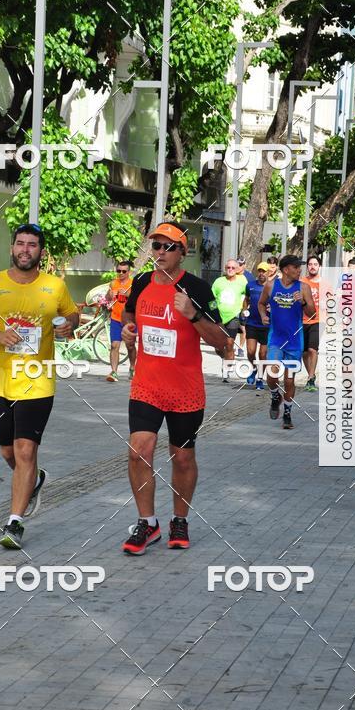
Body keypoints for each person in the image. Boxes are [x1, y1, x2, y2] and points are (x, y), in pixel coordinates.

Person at [120, 222, 226, 555]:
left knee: (182, 458)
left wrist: (194, 316)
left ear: (183, 252)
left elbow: (225, 346)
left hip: (185, 389)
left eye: (168, 247)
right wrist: (128, 330)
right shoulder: (139, 282)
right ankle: (147, 522)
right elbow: (129, 315)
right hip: (146, 385)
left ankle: (179, 519)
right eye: (156, 247)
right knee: (139, 450)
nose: (160, 253)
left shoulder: (197, 288)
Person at [0, 223, 79, 549]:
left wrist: (67, 327)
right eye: (20, 243)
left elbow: (72, 317)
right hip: (0, 381)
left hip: (38, 381)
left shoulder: (54, 286)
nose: (25, 250)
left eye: (31, 245)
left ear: (40, 252)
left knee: (25, 449)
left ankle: (14, 522)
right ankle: (35, 480)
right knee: (8, 452)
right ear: (12, 248)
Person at [258, 254, 315, 429]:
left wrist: (303, 302)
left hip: (294, 340)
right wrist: (262, 316)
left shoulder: (303, 287)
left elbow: (312, 312)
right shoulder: (270, 285)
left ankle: (288, 413)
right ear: (285, 270)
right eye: (296, 267)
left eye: (300, 267)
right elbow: (261, 303)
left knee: (289, 380)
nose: (299, 270)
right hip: (276, 338)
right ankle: (275, 395)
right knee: (271, 374)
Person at [211, 259, 248, 380]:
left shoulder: (242, 281)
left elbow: (248, 296)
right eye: (228, 267)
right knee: (218, 347)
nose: (230, 270)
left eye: (233, 268)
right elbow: (211, 299)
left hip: (233, 317)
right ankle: (225, 358)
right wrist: (212, 313)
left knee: (229, 343)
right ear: (225, 269)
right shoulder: (218, 281)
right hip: (219, 317)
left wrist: (244, 309)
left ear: (237, 269)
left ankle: (227, 370)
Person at [105, 260, 136, 381]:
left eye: (124, 271)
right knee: (114, 345)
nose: (121, 273)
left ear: (129, 272)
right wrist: (110, 294)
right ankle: (113, 372)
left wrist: (128, 295)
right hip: (116, 318)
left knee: (130, 346)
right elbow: (107, 298)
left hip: (129, 319)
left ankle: (132, 368)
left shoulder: (133, 284)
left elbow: (138, 299)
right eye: (119, 271)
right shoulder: (113, 283)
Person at [243, 262, 270, 389]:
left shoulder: (273, 287)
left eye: (264, 271)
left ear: (268, 273)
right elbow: (246, 299)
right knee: (250, 351)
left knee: (263, 354)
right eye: (259, 271)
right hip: (252, 323)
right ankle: (254, 368)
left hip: (267, 325)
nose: (261, 274)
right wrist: (244, 310)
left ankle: (260, 377)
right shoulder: (250, 285)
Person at [302, 254, 321, 391]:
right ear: (307, 267)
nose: (312, 266)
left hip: (318, 320)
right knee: (303, 352)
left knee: (312, 349)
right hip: (302, 320)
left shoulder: (325, 284)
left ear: (319, 266)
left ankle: (310, 376)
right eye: (310, 264)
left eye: (315, 264)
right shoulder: (302, 282)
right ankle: (311, 374)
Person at [236, 257, 255, 356]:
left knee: (243, 328)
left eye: (240, 264)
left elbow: (252, 291)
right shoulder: (231, 274)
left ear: (244, 265)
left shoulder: (249, 276)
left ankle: (240, 347)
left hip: (244, 306)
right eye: (237, 264)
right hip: (232, 306)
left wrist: (248, 305)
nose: (238, 266)